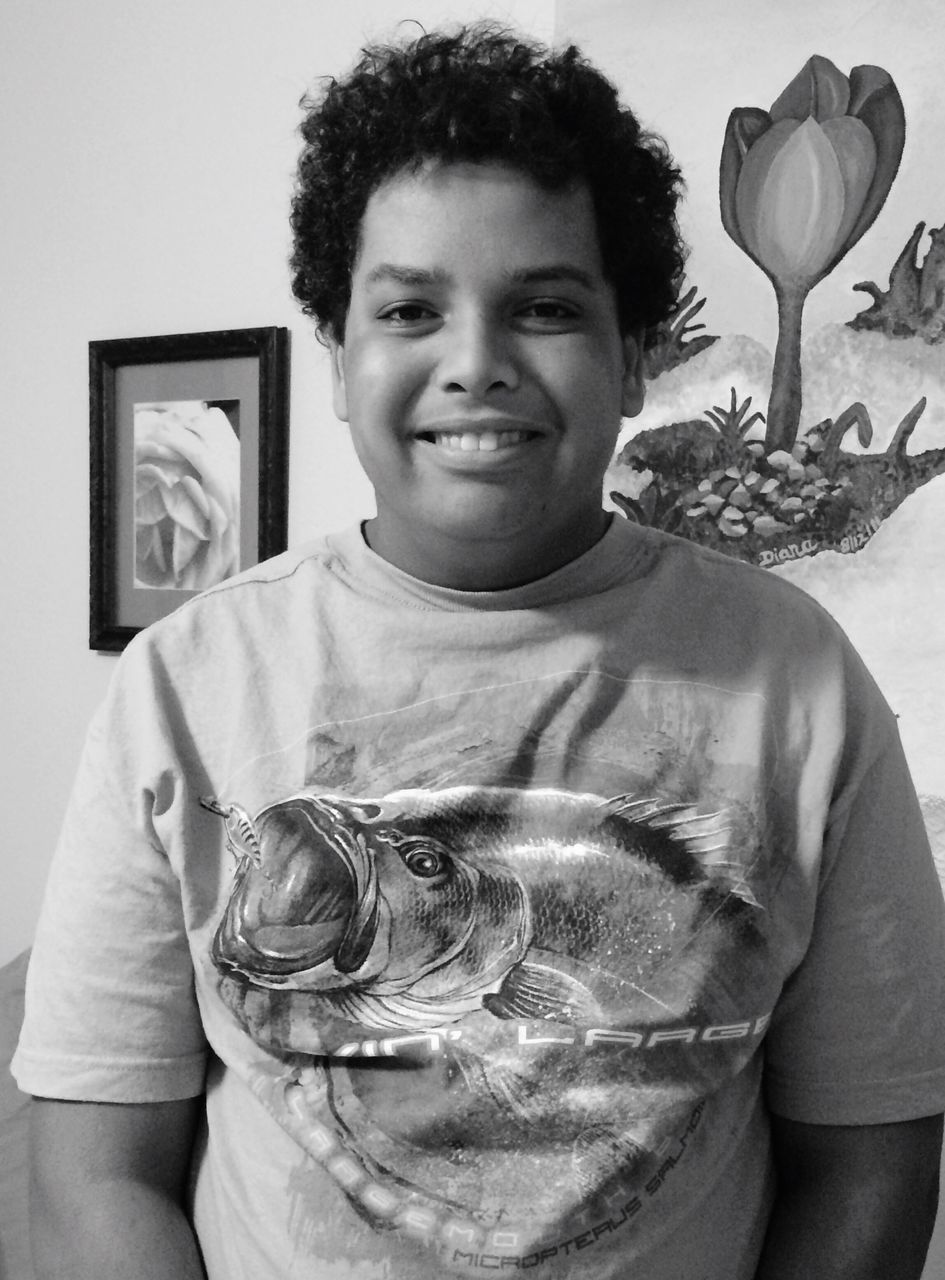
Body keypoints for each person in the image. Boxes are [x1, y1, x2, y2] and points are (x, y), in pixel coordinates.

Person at [13, 23, 945, 1280]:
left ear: (629, 360)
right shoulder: (181, 686)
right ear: (341, 362)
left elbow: (872, 1155)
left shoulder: (804, 683)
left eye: (545, 306)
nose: (474, 363)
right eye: (408, 307)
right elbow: (95, 1168)